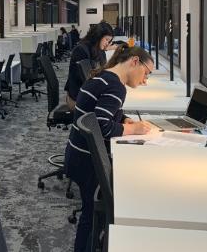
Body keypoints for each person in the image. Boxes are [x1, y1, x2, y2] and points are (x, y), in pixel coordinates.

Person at [64, 45, 154, 252]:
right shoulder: (115, 87)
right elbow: (103, 126)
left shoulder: (104, 77)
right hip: (88, 161)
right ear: (134, 62)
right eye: (146, 73)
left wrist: (125, 120)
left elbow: (105, 114)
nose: (145, 81)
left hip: (77, 154)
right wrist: (134, 129)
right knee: (91, 216)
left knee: (90, 214)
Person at [64, 22, 114, 109]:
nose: (107, 43)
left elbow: (102, 72)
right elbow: (87, 80)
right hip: (77, 99)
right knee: (109, 107)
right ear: (99, 36)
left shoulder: (98, 50)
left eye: (109, 41)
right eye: (106, 39)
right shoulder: (81, 50)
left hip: (89, 94)